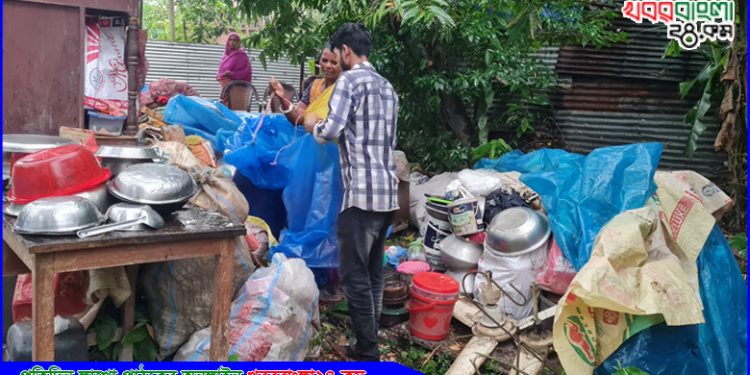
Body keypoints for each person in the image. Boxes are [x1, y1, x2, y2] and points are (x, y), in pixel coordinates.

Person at [304, 23, 399, 362]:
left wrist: (310, 122)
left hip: (360, 196)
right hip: (387, 196)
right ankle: (369, 335)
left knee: (354, 276)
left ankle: (366, 352)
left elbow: (331, 130)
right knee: (373, 272)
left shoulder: (349, 81)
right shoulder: (388, 88)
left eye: (336, 55)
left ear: (345, 51)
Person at [268, 45, 342, 124]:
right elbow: (298, 119)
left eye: (334, 62)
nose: (328, 66)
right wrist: (283, 97)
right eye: (324, 60)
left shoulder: (345, 88)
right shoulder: (314, 85)